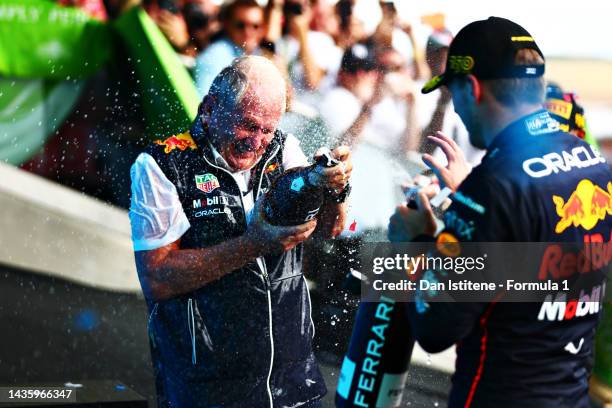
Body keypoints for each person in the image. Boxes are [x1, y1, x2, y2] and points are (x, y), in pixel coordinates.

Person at [388, 17, 611, 407]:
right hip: (571, 396)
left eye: (453, 93)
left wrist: (416, 241)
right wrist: (467, 208)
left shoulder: (492, 186)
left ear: (471, 88)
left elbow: (435, 326)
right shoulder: (594, 163)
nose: (455, 109)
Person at [129, 56, 353, 407]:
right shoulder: (163, 164)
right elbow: (157, 278)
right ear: (210, 108)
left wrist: (336, 189)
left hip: (292, 382)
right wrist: (252, 245)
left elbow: (330, 230)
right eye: (248, 125)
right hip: (208, 387)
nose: (258, 141)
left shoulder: (284, 148)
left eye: (267, 128)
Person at [417, 28, 484, 167]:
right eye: (437, 56)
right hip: (424, 174)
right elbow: (422, 151)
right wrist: (442, 104)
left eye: (449, 57)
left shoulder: (470, 98)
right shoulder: (417, 92)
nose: (444, 64)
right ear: (428, 57)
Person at [194, 0, 264, 95]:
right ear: (227, 25)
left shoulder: (259, 55)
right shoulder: (213, 58)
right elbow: (205, 105)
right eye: (240, 25)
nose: (248, 32)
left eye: (255, 26)